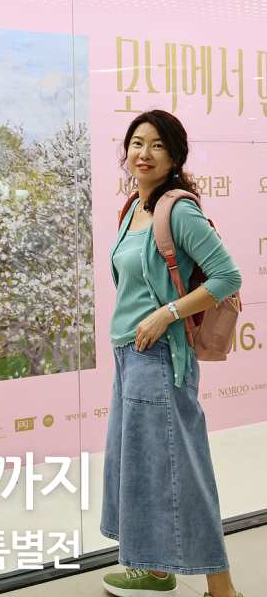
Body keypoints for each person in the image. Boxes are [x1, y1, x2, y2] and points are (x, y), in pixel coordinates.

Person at [101, 110, 243, 597]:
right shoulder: (133, 208)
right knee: (144, 472)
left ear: (175, 157)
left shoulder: (177, 211)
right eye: (137, 143)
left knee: (182, 474)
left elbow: (227, 277)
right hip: (129, 357)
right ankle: (157, 571)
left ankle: (222, 590)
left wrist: (167, 314)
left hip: (161, 359)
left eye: (157, 145)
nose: (144, 153)